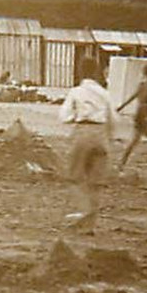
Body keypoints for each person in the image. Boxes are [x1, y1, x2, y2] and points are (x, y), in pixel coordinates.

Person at [57, 58, 116, 232]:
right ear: (96, 72)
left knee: (74, 178)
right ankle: (90, 225)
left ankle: (85, 212)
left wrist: (75, 119)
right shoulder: (105, 93)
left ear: (81, 72)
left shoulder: (77, 91)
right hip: (101, 134)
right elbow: (113, 118)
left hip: (83, 131)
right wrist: (109, 140)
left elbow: (64, 115)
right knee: (96, 183)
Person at [117, 63, 147, 170]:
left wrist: (121, 107)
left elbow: (132, 97)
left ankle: (122, 162)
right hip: (144, 114)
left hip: (139, 113)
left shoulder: (141, 85)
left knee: (137, 140)